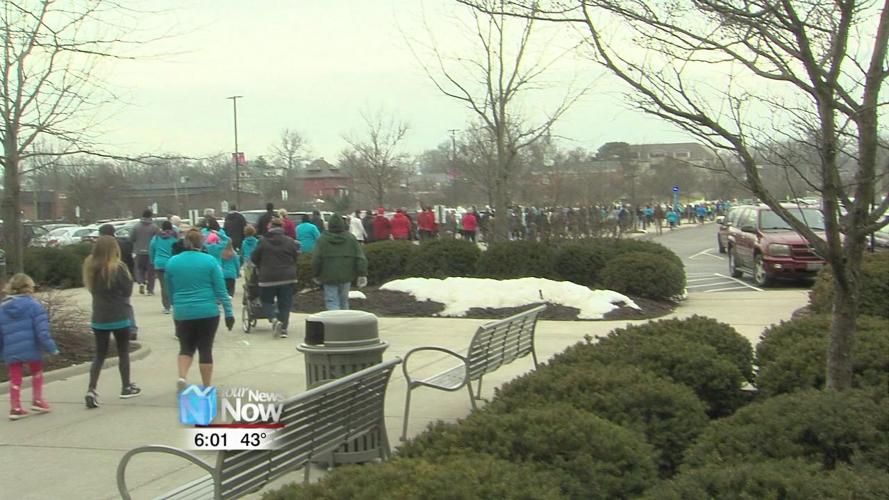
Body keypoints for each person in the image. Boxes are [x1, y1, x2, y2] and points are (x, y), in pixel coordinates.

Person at [165, 229, 234, 392]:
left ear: (185, 242)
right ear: (201, 243)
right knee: (205, 348)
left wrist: (176, 306)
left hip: (182, 311)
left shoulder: (172, 262)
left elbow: (170, 289)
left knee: (185, 347)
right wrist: (229, 313)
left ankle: (182, 376)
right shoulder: (210, 261)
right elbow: (221, 290)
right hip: (207, 311)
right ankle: (206, 385)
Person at [83, 236, 141, 409]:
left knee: (100, 355)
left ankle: (91, 389)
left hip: (99, 316)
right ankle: (126, 386)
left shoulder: (90, 267)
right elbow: (127, 291)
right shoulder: (118, 267)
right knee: (123, 352)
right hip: (119, 315)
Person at [0, 273, 59, 420]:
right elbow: (42, 331)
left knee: (15, 377)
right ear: (28, 288)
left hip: (11, 348)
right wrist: (51, 347)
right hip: (32, 347)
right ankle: (37, 400)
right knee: (37, 372)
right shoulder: (34, 306)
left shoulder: (2, 308)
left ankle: (15, 407)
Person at [251, 218, 300, 338]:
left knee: (267, 301)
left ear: (270, 227)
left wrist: (260, 266)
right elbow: (295, 256)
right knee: (285, 303)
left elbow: (255, 257)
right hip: (288, 276)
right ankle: (283, 329)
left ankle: (274, 319)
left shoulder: (262, 241)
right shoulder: (290, 241)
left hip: (268, 276)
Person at [312, 214, 368, 310]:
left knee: (331, 300)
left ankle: (334, 322)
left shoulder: (322, 239)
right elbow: (360, 257)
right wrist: (362, 273)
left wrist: (315, 274)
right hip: (346, 274)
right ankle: (344, 322)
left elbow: (316, 259)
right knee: (344, 300)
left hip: (328, 275)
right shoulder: (351, 238)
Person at [150, 221, 178, 314]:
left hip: (160, 263)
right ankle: (175, 304)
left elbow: (152, 249)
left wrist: (152, 260)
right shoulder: (174, 237)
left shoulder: (156, 237)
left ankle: (167, 307)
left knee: (163, 286)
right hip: (172, 262)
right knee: (174, 285)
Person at [130, 209, 159, 295]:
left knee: (139, 269)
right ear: (151, 216)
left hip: (139, 251)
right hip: (151, 252)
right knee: (151, 272)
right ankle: (150, 290)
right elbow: (157, 239)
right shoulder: (154, 227)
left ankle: (141, 282)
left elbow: (131, 238)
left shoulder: (136, 226)